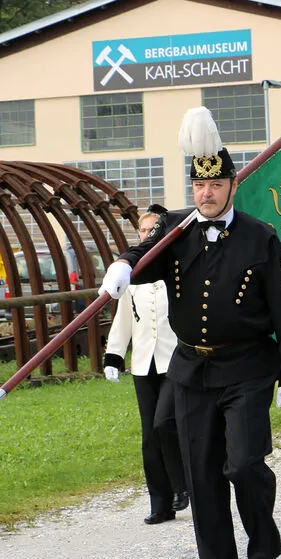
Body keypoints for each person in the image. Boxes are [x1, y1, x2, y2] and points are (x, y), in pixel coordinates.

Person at [100, 107, 281, 559]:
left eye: (215, 185)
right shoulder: (176, 232)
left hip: (248, 368)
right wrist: (124, 263)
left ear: (232, 184)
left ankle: (263, 552)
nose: (206, 193)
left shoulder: (260, 237)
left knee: (243, 466)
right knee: (203, 477)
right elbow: (145, 250)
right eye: (198, 185)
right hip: (192, 369)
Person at [104, 205, 189, 524]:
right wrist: (114, 354)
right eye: (141, 231)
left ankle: (184, 486)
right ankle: (161, 502)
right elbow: (124, 319)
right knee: (149, 435)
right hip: (143, 362)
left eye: (151, 231)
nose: (145, 236)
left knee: (165, 423)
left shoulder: (175, 267)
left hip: (176, 359)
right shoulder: (133, 275)